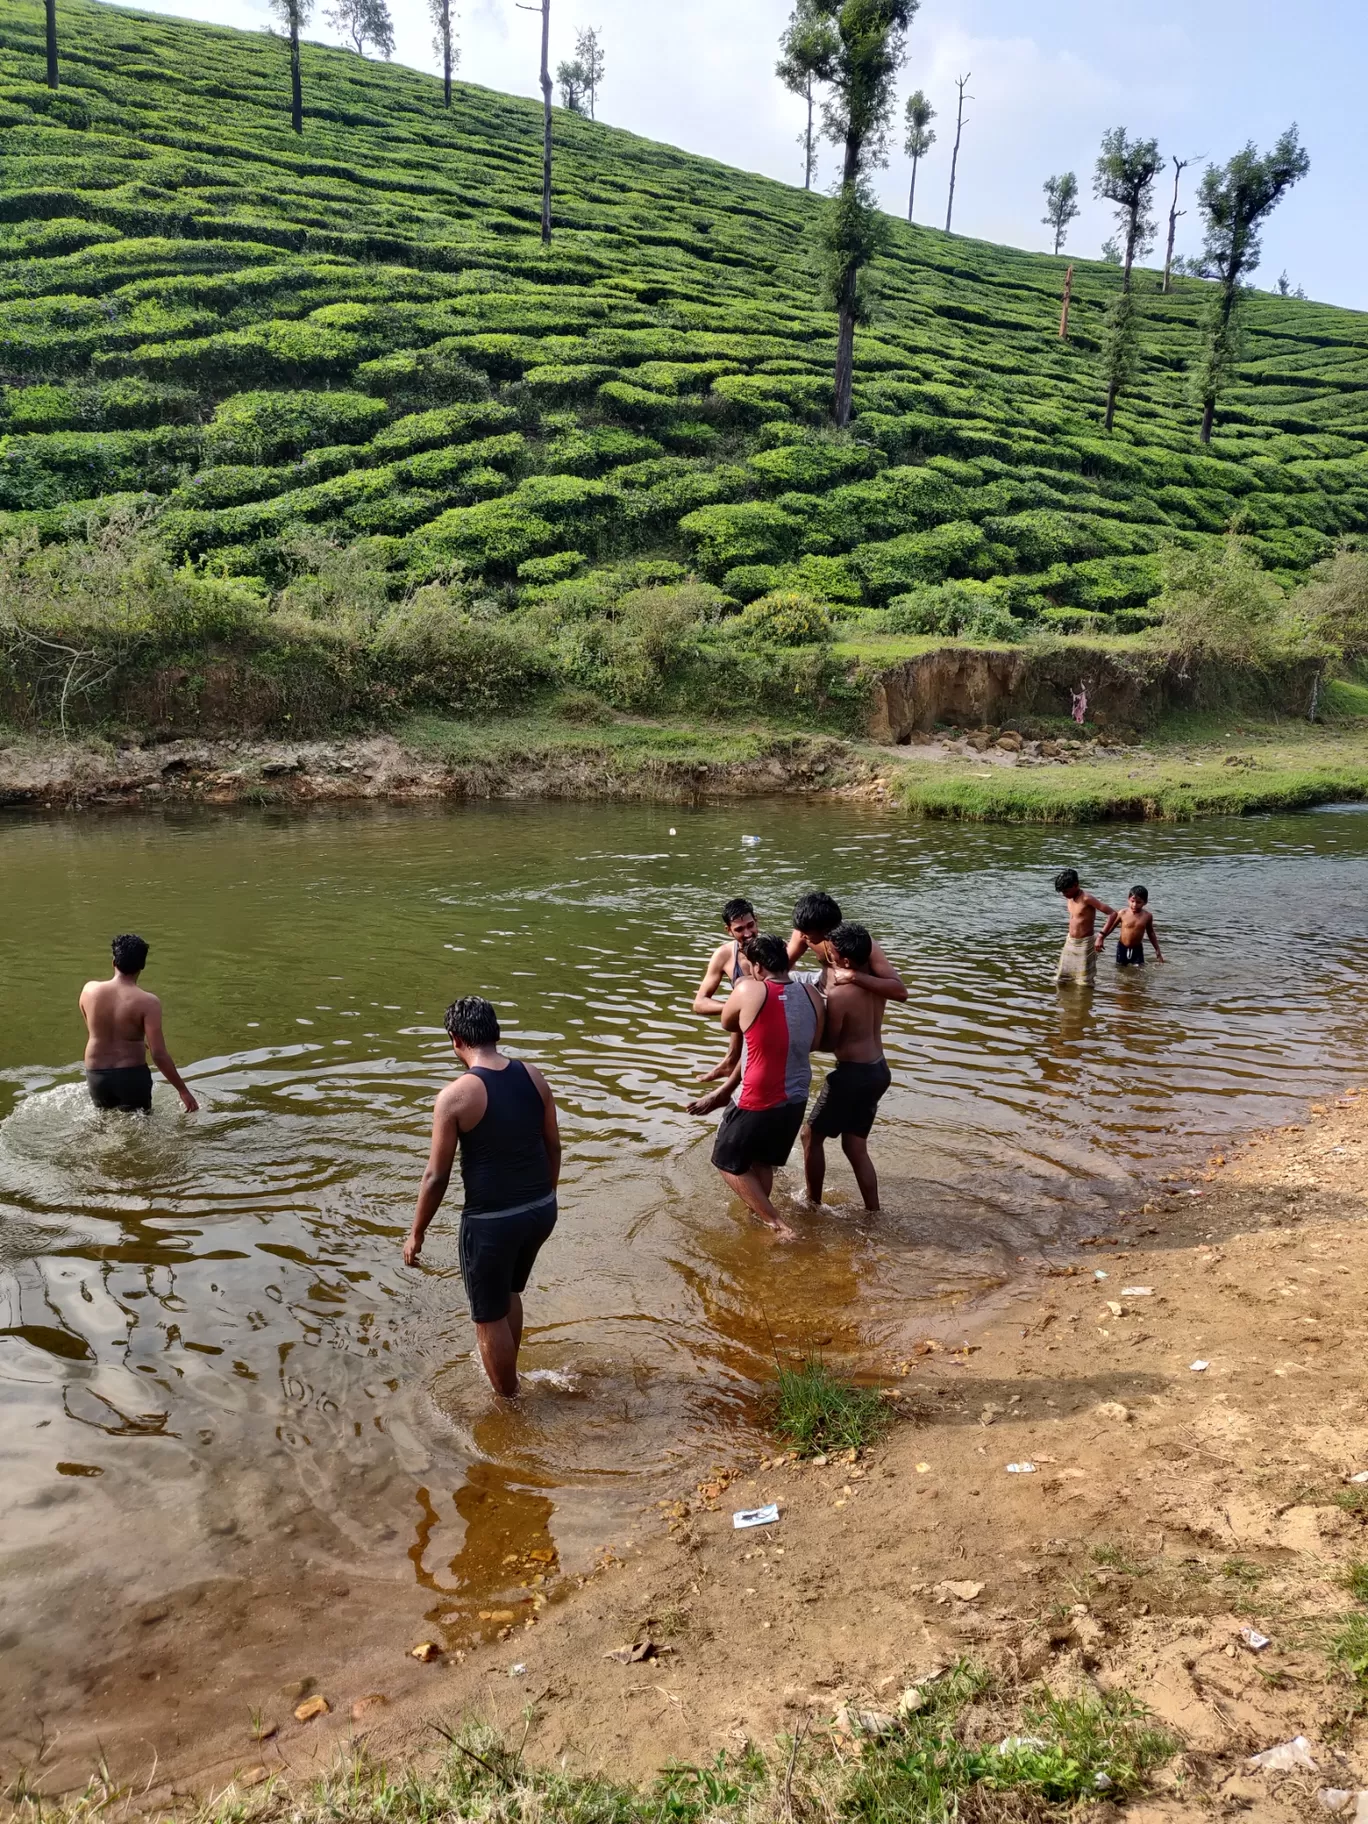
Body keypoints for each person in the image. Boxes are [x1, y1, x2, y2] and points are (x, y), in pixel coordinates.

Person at [403, 996, 561, 1398]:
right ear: (497, 1032)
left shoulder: (454, 1097)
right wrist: (547, 1197)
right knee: (510, 1293)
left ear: (455, 1039)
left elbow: (436, 1176)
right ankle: (512, 1376)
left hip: (493, 1223)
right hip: (541, 1210)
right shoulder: (533, 1075)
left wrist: (416, 1232)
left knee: (488, 1316)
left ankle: (509, 1402)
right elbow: (553, 1146)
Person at [687, 934, 824, 1241]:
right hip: (797, 1093)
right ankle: (757, 1216)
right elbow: (815, 1042)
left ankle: (777, 1224)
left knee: (726, 1162)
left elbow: (727, 1022)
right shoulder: (811, 993)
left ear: (759, 966)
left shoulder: (749, 987)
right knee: (761, 1160)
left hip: (757, 1095)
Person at [801, 922, 892, 1213]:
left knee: (810, 1136)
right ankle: (873, 1212)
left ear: (847, 961)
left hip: (852, 1074)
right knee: (855, 1147)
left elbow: (830, 1043)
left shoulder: (841, 995)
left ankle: (812, 1205)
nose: (831, 957)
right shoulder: (876, 983)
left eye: (834, 954)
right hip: (878, 1070)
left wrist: (803, 1039)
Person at [79, 934, 199, 1113]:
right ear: (142, 966)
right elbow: (158, 1055)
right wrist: (183, 1090)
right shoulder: (148, 1002)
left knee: (104, 1126)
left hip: (96, 1074)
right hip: (130, 1076)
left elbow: (94, 1028)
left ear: (114, 962)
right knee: (141, 1128)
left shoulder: (89, 991)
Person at [786, 892, 908, 1004]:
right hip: (817, 982)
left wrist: (853, 976)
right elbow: (781, 967)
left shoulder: (858, 943)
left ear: (825, 931)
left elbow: (900, 993)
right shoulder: (805, 930)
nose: (801, 935)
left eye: (806, 933)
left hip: (837, 1000)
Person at [692, 896, 758, 1083]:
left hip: (774, 1020)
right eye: (739, 929)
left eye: (750, 925)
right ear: (728, 931)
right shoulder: (724, 955)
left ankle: (732, 1063)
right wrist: (737, 1006)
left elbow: (794, 988)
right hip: (749, 1023)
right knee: (742, 995)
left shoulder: (776, 949)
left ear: (757, 920)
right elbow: (699, 1004)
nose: (747, 933)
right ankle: (731, 1061)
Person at [1053, 869, 1114, 984]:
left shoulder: (1087, 898)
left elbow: (1112, 914)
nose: (1064, 895)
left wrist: (1101, 936)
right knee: (1062, 978)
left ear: (1076, 885)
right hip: (1070, 942)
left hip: (1085, 943)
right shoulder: (1070, 898)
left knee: (1084, 982)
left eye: (1066, 891)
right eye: (1062, 892)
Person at [1097, 885, 1165, 966]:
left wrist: (1157, 950)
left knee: (1139, 970)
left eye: (1139, 902)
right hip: (1122, 947)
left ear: (1145, 902)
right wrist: (1101, 939)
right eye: (1132, 901)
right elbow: (1111, 928)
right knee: (1120, 968)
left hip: (1137, 948)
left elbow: (1151, 933)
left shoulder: (1147, 916)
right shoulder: (1122, 913)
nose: (1135, 905)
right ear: (1128, 900)